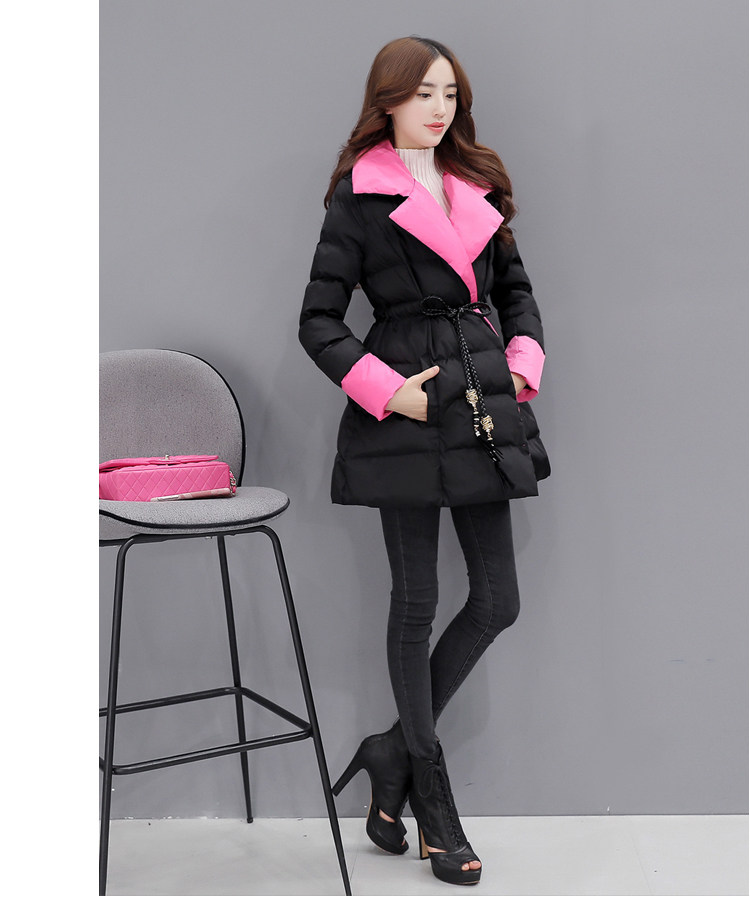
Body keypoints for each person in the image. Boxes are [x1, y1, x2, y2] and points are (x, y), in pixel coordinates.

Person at [299, 35, 549, 887]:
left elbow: (516, 295)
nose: (439, 108)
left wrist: (521, 366)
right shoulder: (358, 196)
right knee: (417, 601)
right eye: (423, 93)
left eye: (450, 94)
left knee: (497, 599)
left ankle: (390, 752)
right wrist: (387, 391)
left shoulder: (476, 184)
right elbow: (319, 320)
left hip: (482, 402)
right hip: (407, 406)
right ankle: (434, 803)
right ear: (389, 101)